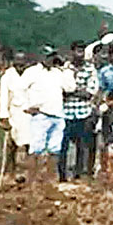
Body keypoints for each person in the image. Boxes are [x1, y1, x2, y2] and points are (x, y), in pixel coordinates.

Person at [22, 49, 76, 181]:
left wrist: (66, 69)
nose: (50, 59)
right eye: (47, 56)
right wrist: (26, 107)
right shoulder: (32, 72)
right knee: (36, 148)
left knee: (55, 149)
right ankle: (32, 180)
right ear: (41, 57)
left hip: (57, 114)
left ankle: (50, 180)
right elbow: (20, 89)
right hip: (41, 115)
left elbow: (70, 88)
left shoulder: (58, 73)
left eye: (52, 56)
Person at [61, 41, 99, 179]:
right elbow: (62, 90)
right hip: (66, 113)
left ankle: (78, 174)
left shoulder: (90, 69)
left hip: (84, 113)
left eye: (82, 51)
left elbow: (90, 92)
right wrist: (77, 91)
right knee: (64, 147)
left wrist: (72, 91)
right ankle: (63, 175)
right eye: (77, 51)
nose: (80, 54)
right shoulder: (64, 68)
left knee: (82, 146)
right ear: (72, 52)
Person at [0, 50, 31, 174]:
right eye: (18, 62)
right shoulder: (7, 76)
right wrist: (4, 116)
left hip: (28, 114)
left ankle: (24, 172)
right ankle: (10, 171)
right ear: (13, 62)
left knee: (27, 144)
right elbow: (4, 97)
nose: (20, 65)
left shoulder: (30, 75)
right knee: (12, 144)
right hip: (14, 113)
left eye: (23, 62)